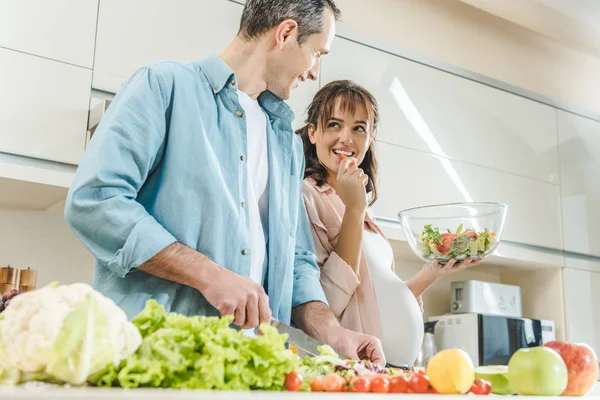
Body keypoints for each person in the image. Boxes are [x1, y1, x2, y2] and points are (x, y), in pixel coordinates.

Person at [64, 0, 385, 364]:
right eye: (316, 53)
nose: (314, 71)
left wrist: (332, 333)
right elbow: (96, 201)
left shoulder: (286, 143)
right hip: (153, 356)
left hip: (251, 364)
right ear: (286, 33)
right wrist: (209, 275)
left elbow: (297, 261)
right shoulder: (165, 87)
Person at [298, 80, 482, 366]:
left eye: (359, 128)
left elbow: (373, 297)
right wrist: (354, 210)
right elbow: (324, 302)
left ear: (369, 139)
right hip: (353, 365)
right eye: (334, 124)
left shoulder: (365, 211)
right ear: (313, 132)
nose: (347, 138)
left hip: (392, 369)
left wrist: (431, 272)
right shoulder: (305, 196)